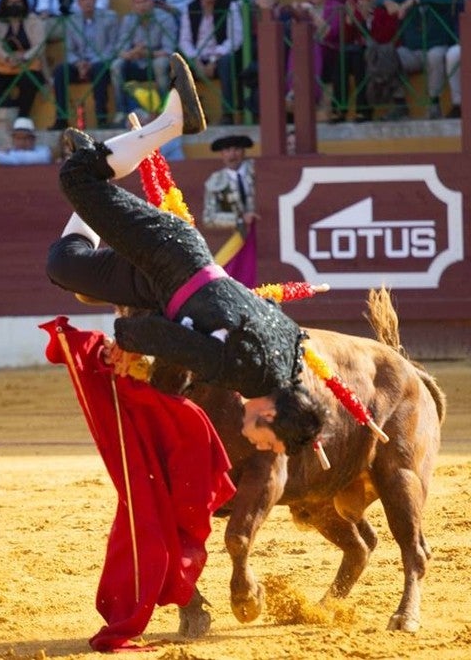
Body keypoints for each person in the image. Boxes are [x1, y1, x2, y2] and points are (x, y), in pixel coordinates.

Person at [44, 52, 324, 454]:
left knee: (64, 265)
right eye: (271, 444)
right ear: (270, 416)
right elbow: (168, 338)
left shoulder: (290, 353)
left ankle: (102, 166)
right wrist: (124, 339)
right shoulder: (243, 371)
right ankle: (172, 123)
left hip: (171, 280)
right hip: (168, 256)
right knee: (75, 174)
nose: (261, 446)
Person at [385, 0, 453, 119]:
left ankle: (434, 104)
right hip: (413, 51)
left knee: (434, 56)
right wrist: (386, 3)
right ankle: (400, 104)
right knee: (391, 55)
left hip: (437, 47)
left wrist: (416, 0)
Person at [50, 0, 118, 130]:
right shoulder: (72, 21)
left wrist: (91, 63)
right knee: (60, 71)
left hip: (100, 62)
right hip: (79, 64)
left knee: (100, 69)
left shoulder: (109, 18)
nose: (87, 2)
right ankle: (62, 118)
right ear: (78, 3)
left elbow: (112, 47)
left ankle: (101, 118)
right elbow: (69, 50)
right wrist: (78, 64)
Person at [178, 0, 239, 124]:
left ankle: (228, 113)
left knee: (227, 63)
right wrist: (194, 59)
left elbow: (235, 38)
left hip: (219, 57)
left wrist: (214, 59)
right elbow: (184, 40)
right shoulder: (190, 8)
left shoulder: (230, 6)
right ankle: (185, 116)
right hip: (196, 58)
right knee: (175, 67)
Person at [111, 0, 176, 121]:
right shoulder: (128, 20)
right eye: (138, 2)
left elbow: (169, 49)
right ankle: (121, 111)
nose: (143, 6)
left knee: (160, 64)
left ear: (152, 2)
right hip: (135, 61)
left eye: (145, 1)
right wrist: (130, 53)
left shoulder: (165, 18)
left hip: (155, 61)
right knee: (116, 65)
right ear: (133, 5)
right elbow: (119, 48)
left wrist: (147, 53)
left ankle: (166, 108)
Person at [340, 0, 396, 121]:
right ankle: (339, 108)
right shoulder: (354, 7)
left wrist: (366, 20)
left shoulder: (384, 7)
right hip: (358, 50)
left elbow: (385, 36)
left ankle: (364, 110)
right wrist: (349, 23)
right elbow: (347, 38)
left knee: (360, 57)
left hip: (379, 52)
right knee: (343, 55)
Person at [202, 133, 257, 286]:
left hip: (265, 235)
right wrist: (239, 219)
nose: (232, 154)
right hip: (237, 237)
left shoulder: (258, 171)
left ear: (244, 151)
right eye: (227, 150)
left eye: (237, 149)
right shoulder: (215, 181)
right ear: (221, 154)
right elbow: (209, 217)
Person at [0, 0, 47, 117]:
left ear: (24, 3)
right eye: (11, 2)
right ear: (5, 4)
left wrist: (24, 57)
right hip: (5, 65)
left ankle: (23, 118)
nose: (14, 5)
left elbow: (40, 45)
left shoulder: (33, 19)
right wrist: (8, 58)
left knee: (28, 80)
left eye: (18, 2)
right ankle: (0, 114)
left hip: (29, 64)